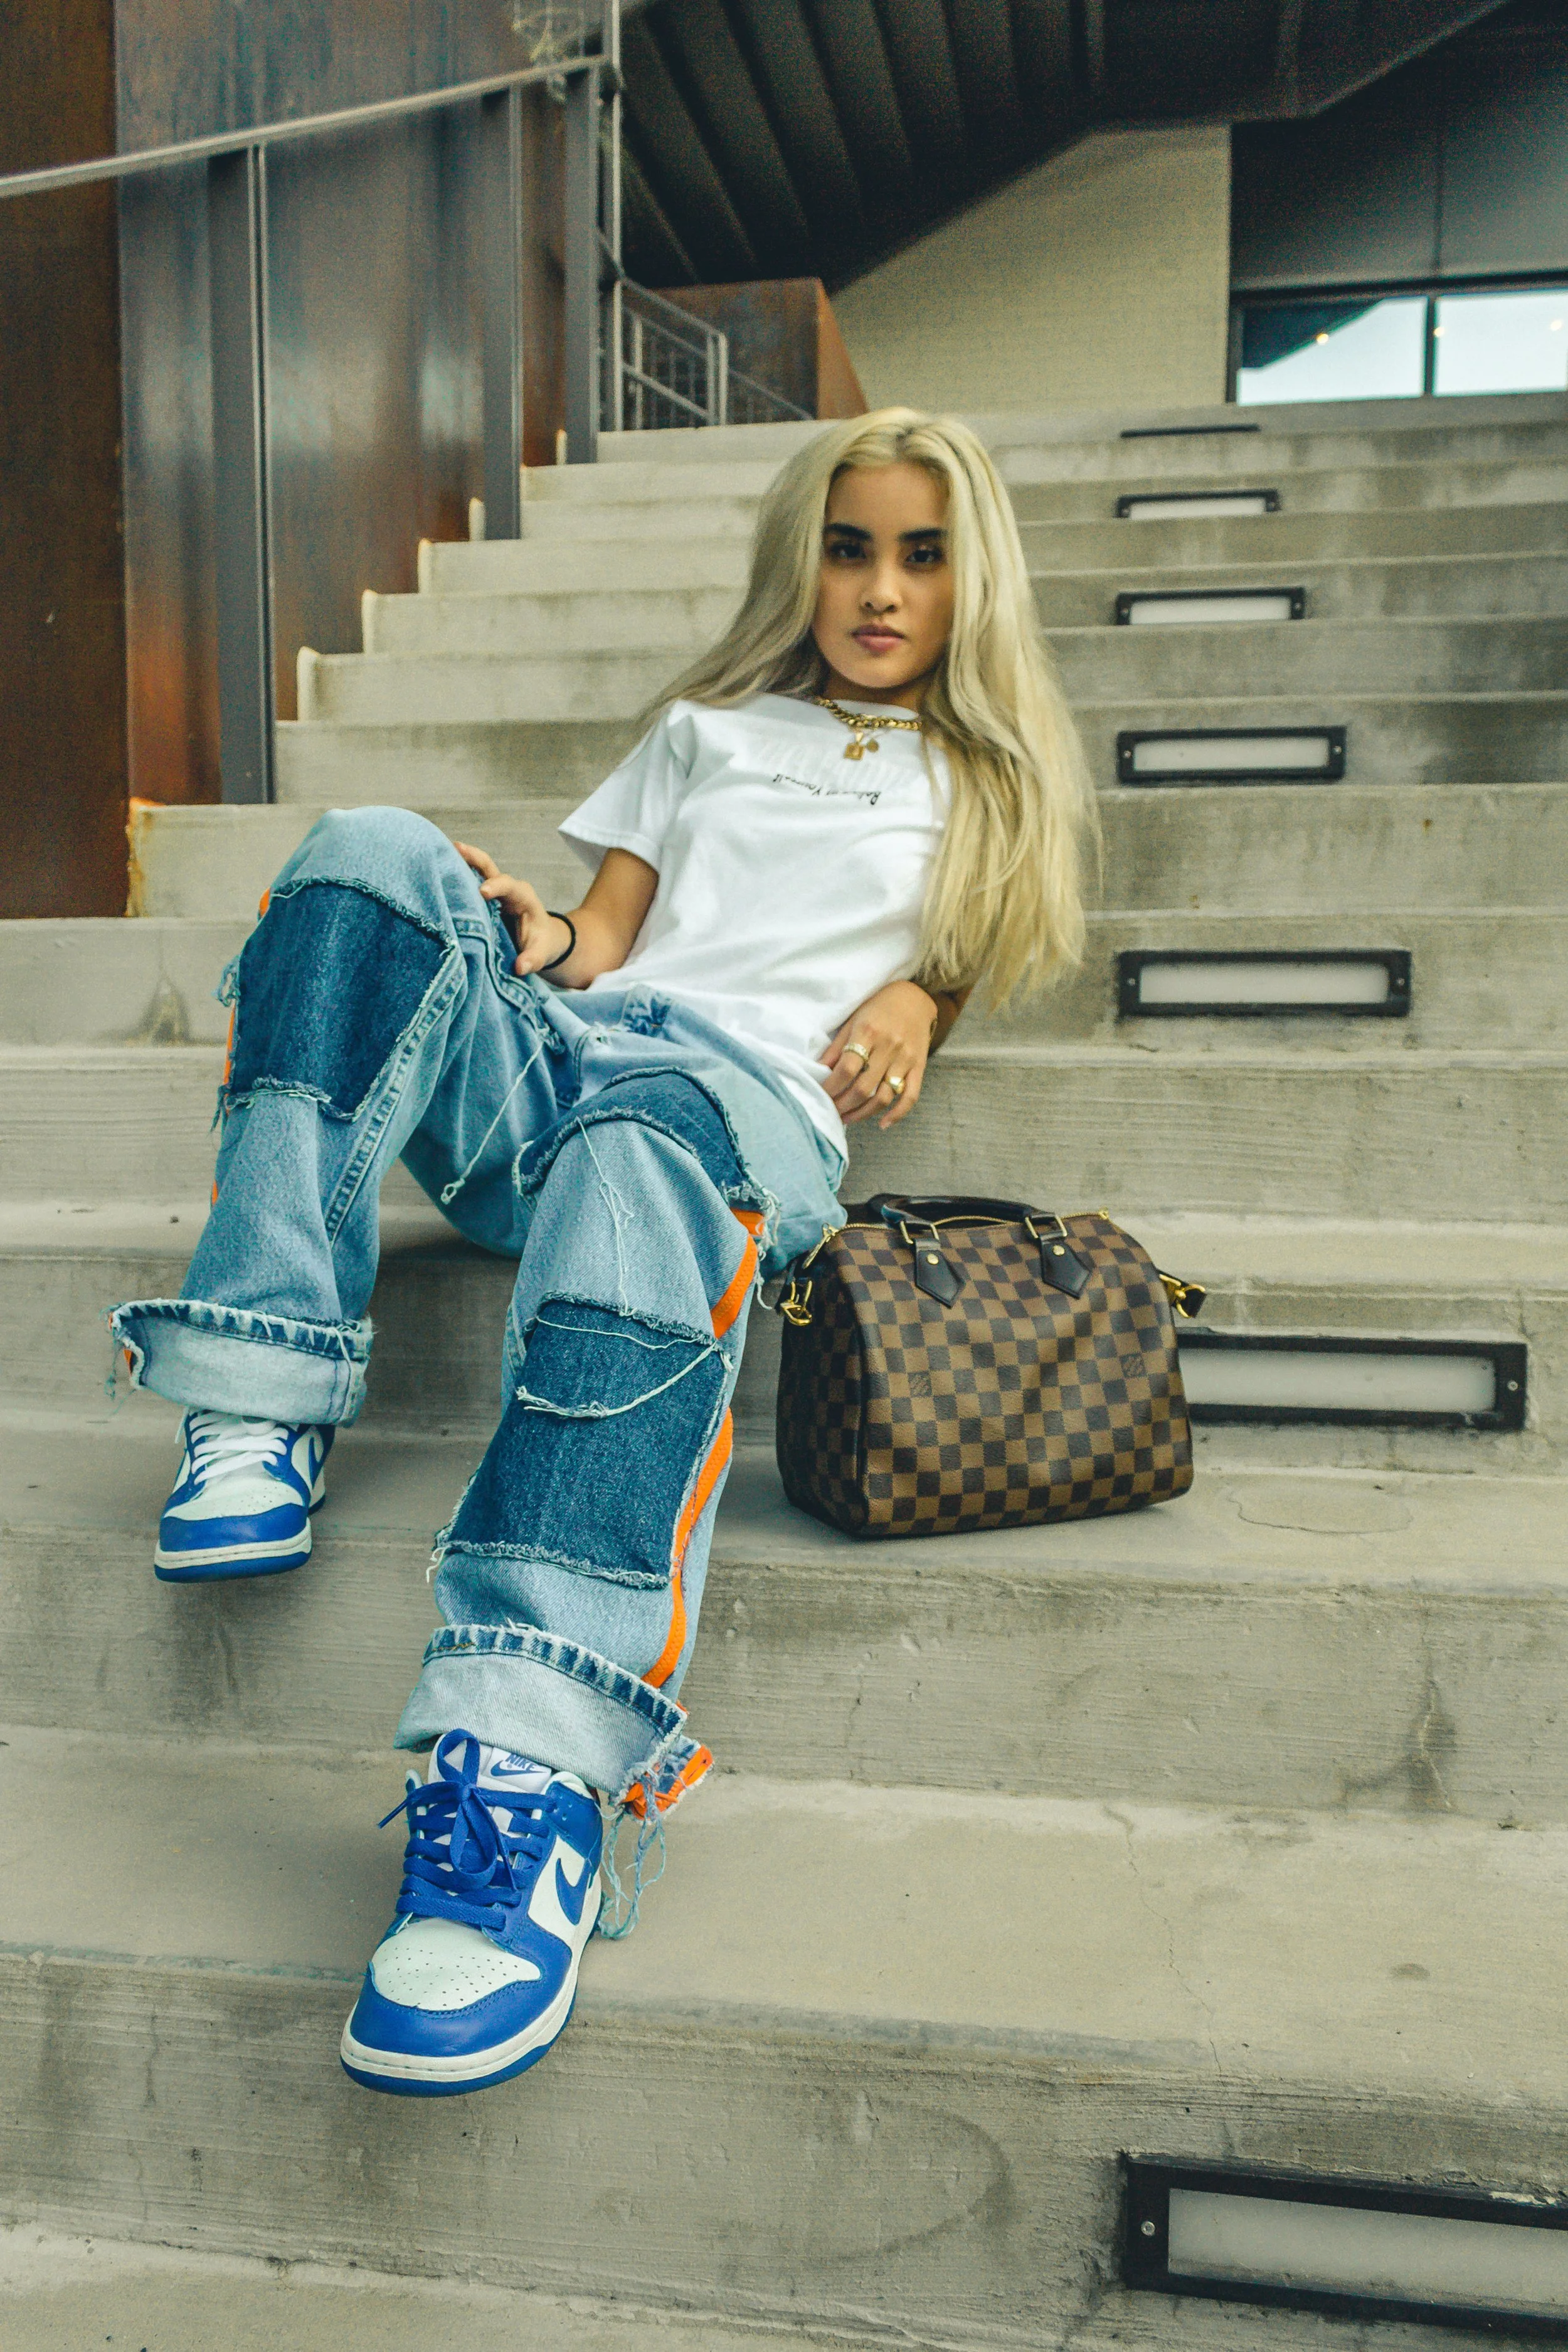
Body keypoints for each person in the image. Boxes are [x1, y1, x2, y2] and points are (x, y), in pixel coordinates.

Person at [108, 408, 1093, 2097]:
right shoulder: (706, 732)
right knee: (365, 852)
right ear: (805, 556)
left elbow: (969, 948)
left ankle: (525, 1767)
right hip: (579, 1056)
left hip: (723, 1119)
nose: (877, 585)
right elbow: (604, 938)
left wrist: (915, 999)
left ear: (971, 577)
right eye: (850, 545)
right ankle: (261, 1393)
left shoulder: (983, 779)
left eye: (920, 554)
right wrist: (526, 931)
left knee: (645, 1137)